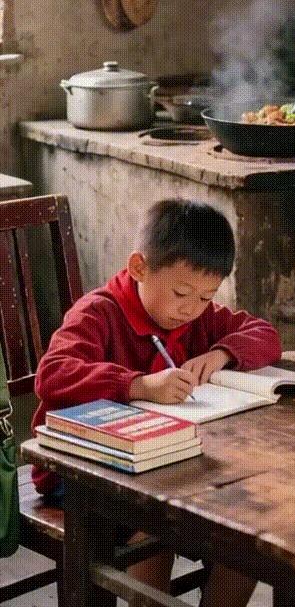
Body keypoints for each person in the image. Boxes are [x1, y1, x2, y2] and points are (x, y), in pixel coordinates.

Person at [32, 198, 282, 607]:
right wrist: (139, 385)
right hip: (83, 472)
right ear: (139, 267)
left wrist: (222, 353)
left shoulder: (197, 315)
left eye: (206, 297)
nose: (191, 309)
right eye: (181, 293)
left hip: (167, 464)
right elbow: (53, 374)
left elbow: (265, 333)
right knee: (156, 527)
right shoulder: (98, 313)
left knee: (250, 528)